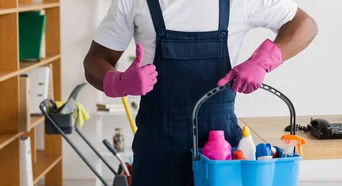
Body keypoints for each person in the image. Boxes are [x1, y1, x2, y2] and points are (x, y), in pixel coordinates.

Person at [83, 0, 317, 185]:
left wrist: (263, 61)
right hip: (156, 147)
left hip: (221, 153)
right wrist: (119, 81)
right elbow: (95, 60)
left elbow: (305, 25)